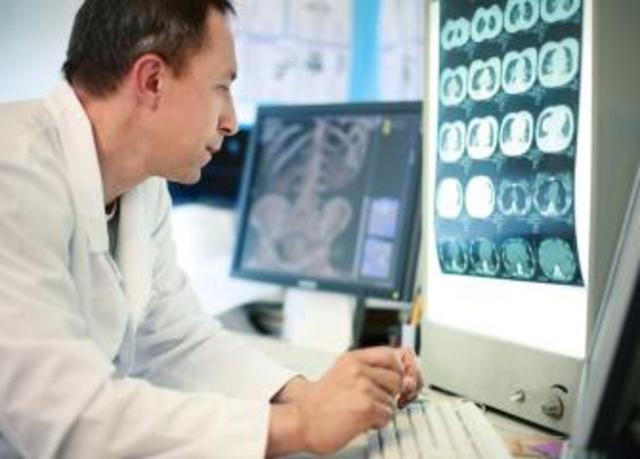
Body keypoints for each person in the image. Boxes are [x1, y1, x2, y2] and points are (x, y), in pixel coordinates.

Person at [0, 0, 424, 457]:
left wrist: (313, 396)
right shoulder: (13, 167)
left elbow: (174, 341)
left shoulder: (141, 188)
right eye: (222, 87)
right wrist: (300, 425)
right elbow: (61, 414)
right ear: (153, 80)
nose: (231, 121)